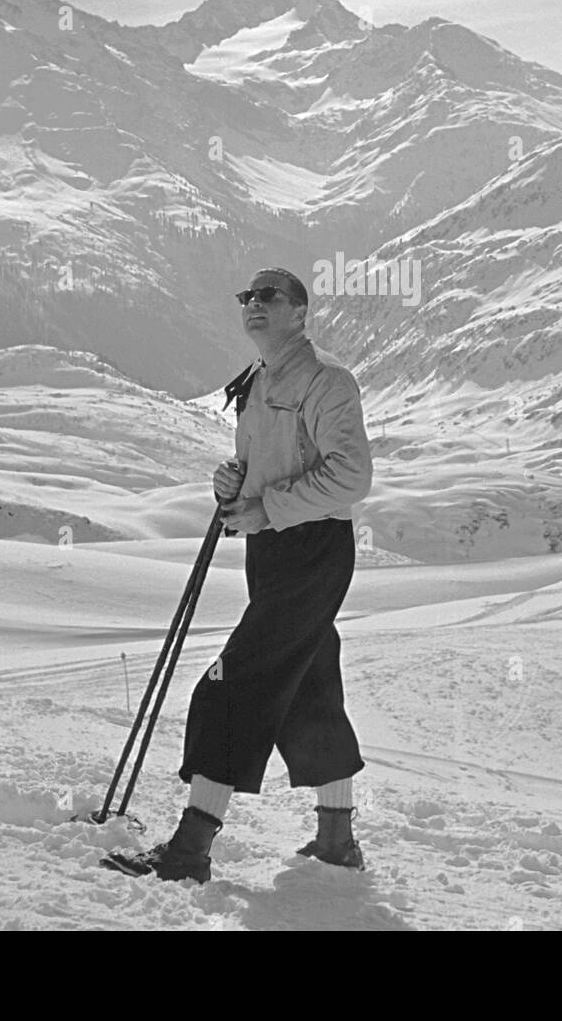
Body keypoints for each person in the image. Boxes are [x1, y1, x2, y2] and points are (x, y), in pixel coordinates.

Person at [106, 267, 373, 882]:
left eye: (269, 296)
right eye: (247, 297)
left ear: (300, 312)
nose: (253, 305)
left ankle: (190, 849)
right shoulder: (260, 380)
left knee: (230, 686)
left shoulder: (327, 381)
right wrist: (235, 481)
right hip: (275, 549)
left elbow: (351, 476)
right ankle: (337, 841)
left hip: (310, 550)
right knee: (309, 685)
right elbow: (267, 464)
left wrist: (267, 507)